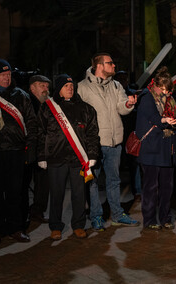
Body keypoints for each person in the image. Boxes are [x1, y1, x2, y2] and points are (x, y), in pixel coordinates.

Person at [78, 53, 140, 231]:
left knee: (114, 180)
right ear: (99, 66)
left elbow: (121, 107)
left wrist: (128, 104)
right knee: (93, 182)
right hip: (94, 143)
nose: (114, 66)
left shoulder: (116, 85)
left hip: (114, 142)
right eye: (110, 63)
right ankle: (96, 216)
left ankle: (117, 215)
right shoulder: (82, 87)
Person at [37, 74, 100, 240]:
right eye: (66, 86)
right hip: (56, 158)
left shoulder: (86, 108)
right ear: (59, 89)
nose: (70, 88)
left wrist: (92, 154)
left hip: (78, 159)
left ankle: (78, 225)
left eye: (72, 86)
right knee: (56, 194)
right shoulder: (47, 108)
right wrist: (41, 156)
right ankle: (55, 226)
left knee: (79, 194)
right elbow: (40, 133)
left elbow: (93, 134)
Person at [0, 58, 38, 244]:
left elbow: (31, 122)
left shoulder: (21, 95)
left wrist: (30, 148)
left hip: (16, 151)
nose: (7, 78)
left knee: (16, 193)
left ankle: (16, 228)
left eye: (8, 75)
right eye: (3, 75)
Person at [136, 66, 176, 230]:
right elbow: (153, 118)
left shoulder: (171, 99)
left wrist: (175, 121)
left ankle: (165, 217)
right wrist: (165, 121)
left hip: (167, 149)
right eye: (164, 90)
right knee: (150, 188)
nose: (167, 94)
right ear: (156, 86)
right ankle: (149, 220)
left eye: (169, 91)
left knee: (167, 187)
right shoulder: (146, 97)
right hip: (151, 149)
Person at [22, 75, 51, 223]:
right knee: (23, 182)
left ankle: (37, 211)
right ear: (32, 87)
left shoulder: (47, 103)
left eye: (47, 86)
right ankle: (21, 212)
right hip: (28, 147)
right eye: (42, 86)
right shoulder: (25, 101)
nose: (46, 89)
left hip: (44, 149)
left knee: (43, 182)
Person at [114, 70, 142, 202]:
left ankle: (137, 191)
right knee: (115, 164)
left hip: (131, 133)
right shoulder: (113, 93)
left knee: (134, 163)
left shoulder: (132, 93)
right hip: (117, 133)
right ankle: (114, 194)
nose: (122, 81)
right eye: (119, 79)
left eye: (124, 79)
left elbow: (137, 113)